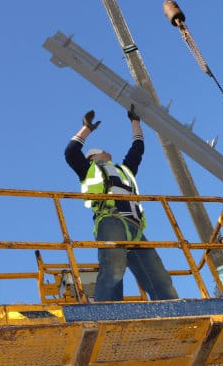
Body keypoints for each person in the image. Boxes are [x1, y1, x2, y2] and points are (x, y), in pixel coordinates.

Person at [64, 104, 178, 302]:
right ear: (92, 158)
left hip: (135, 228)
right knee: (114, 269)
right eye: (100, 151)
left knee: (159, 278)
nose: (105, 151)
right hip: (111, 220)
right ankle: (107, 312)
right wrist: (86, 129)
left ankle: (174, 310)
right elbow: (71, 152)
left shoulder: (124, 170)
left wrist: (135, 121)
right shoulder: (88, 170)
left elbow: (137, 149)